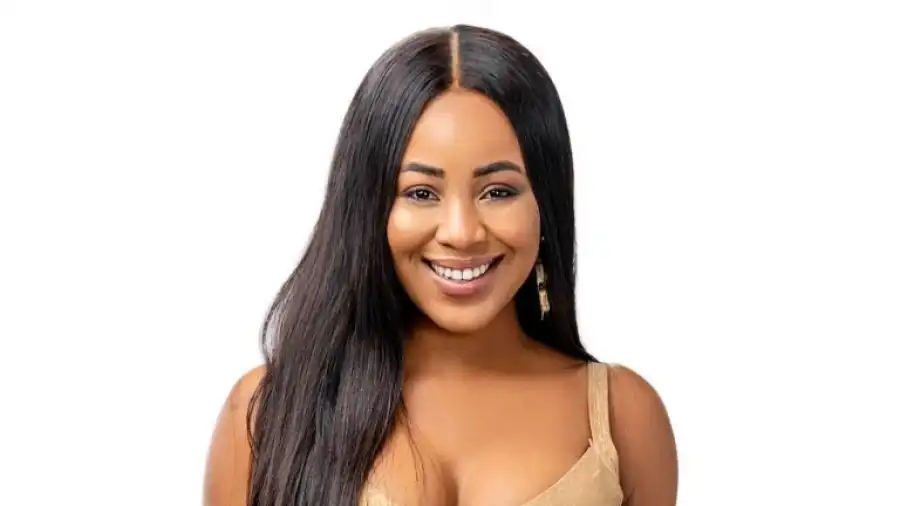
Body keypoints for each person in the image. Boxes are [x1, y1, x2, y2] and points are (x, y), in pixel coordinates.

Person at [203, 24, 678, 506]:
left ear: (545, 203)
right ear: (369, 208)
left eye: (498, 191)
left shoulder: (623, 420)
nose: (461, 232)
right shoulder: (266, 415)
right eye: (421, 193)